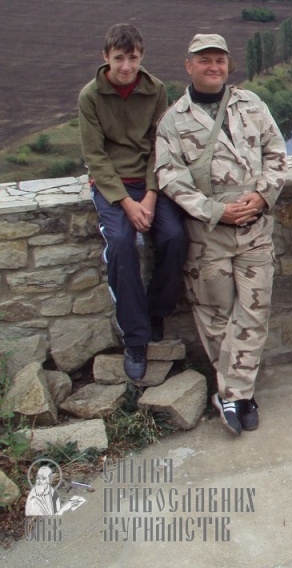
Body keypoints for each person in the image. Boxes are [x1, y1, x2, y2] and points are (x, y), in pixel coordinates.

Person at [155, 33, 287, 437]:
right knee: (215, 317)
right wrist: (216, 210)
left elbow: (277, 155)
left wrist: (261, 196)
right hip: (207, 235)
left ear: (229, 64)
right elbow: (168, 177)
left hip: (256, 229)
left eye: (220, 60)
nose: (213, 67)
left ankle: (232, 393)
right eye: (205, 61)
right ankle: (238, 395)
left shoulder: (253, 105)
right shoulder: (174, 120)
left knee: (254, 311)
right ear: (189, 66)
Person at [78, 23, 187, 382]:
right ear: (106, 57)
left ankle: (156, 310)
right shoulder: (91, 96)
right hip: (112, 186)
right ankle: (136, 338)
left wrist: (152, 195)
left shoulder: (155, 90)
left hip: (150, 181)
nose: (127, 66)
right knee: (122, 244)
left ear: (142, 56)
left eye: (134, 58)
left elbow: (160, 145)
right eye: (119, 58)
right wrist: (127, 203)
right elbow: (95, 156)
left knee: (173, 237)